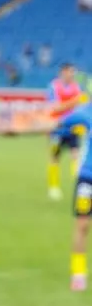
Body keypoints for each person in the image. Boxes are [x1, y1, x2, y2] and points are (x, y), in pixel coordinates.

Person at [56, 102, 92, 291]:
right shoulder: (86, 112)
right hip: (88, 178)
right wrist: (20, 129)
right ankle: (78, 274)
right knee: (82, 225)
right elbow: (57, 123)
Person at [46, 62, 85, 201]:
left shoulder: (76, 87)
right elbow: (55, 107)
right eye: (70, 71)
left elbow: (81, 107)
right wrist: (74, 102)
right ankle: (53, 187)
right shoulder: (54, 86)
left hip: (73, 128)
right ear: (63, 72)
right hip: (57, 128)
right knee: (55, 157)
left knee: (76, 156)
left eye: (73, 72)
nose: (72, 74)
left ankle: (79, 186)